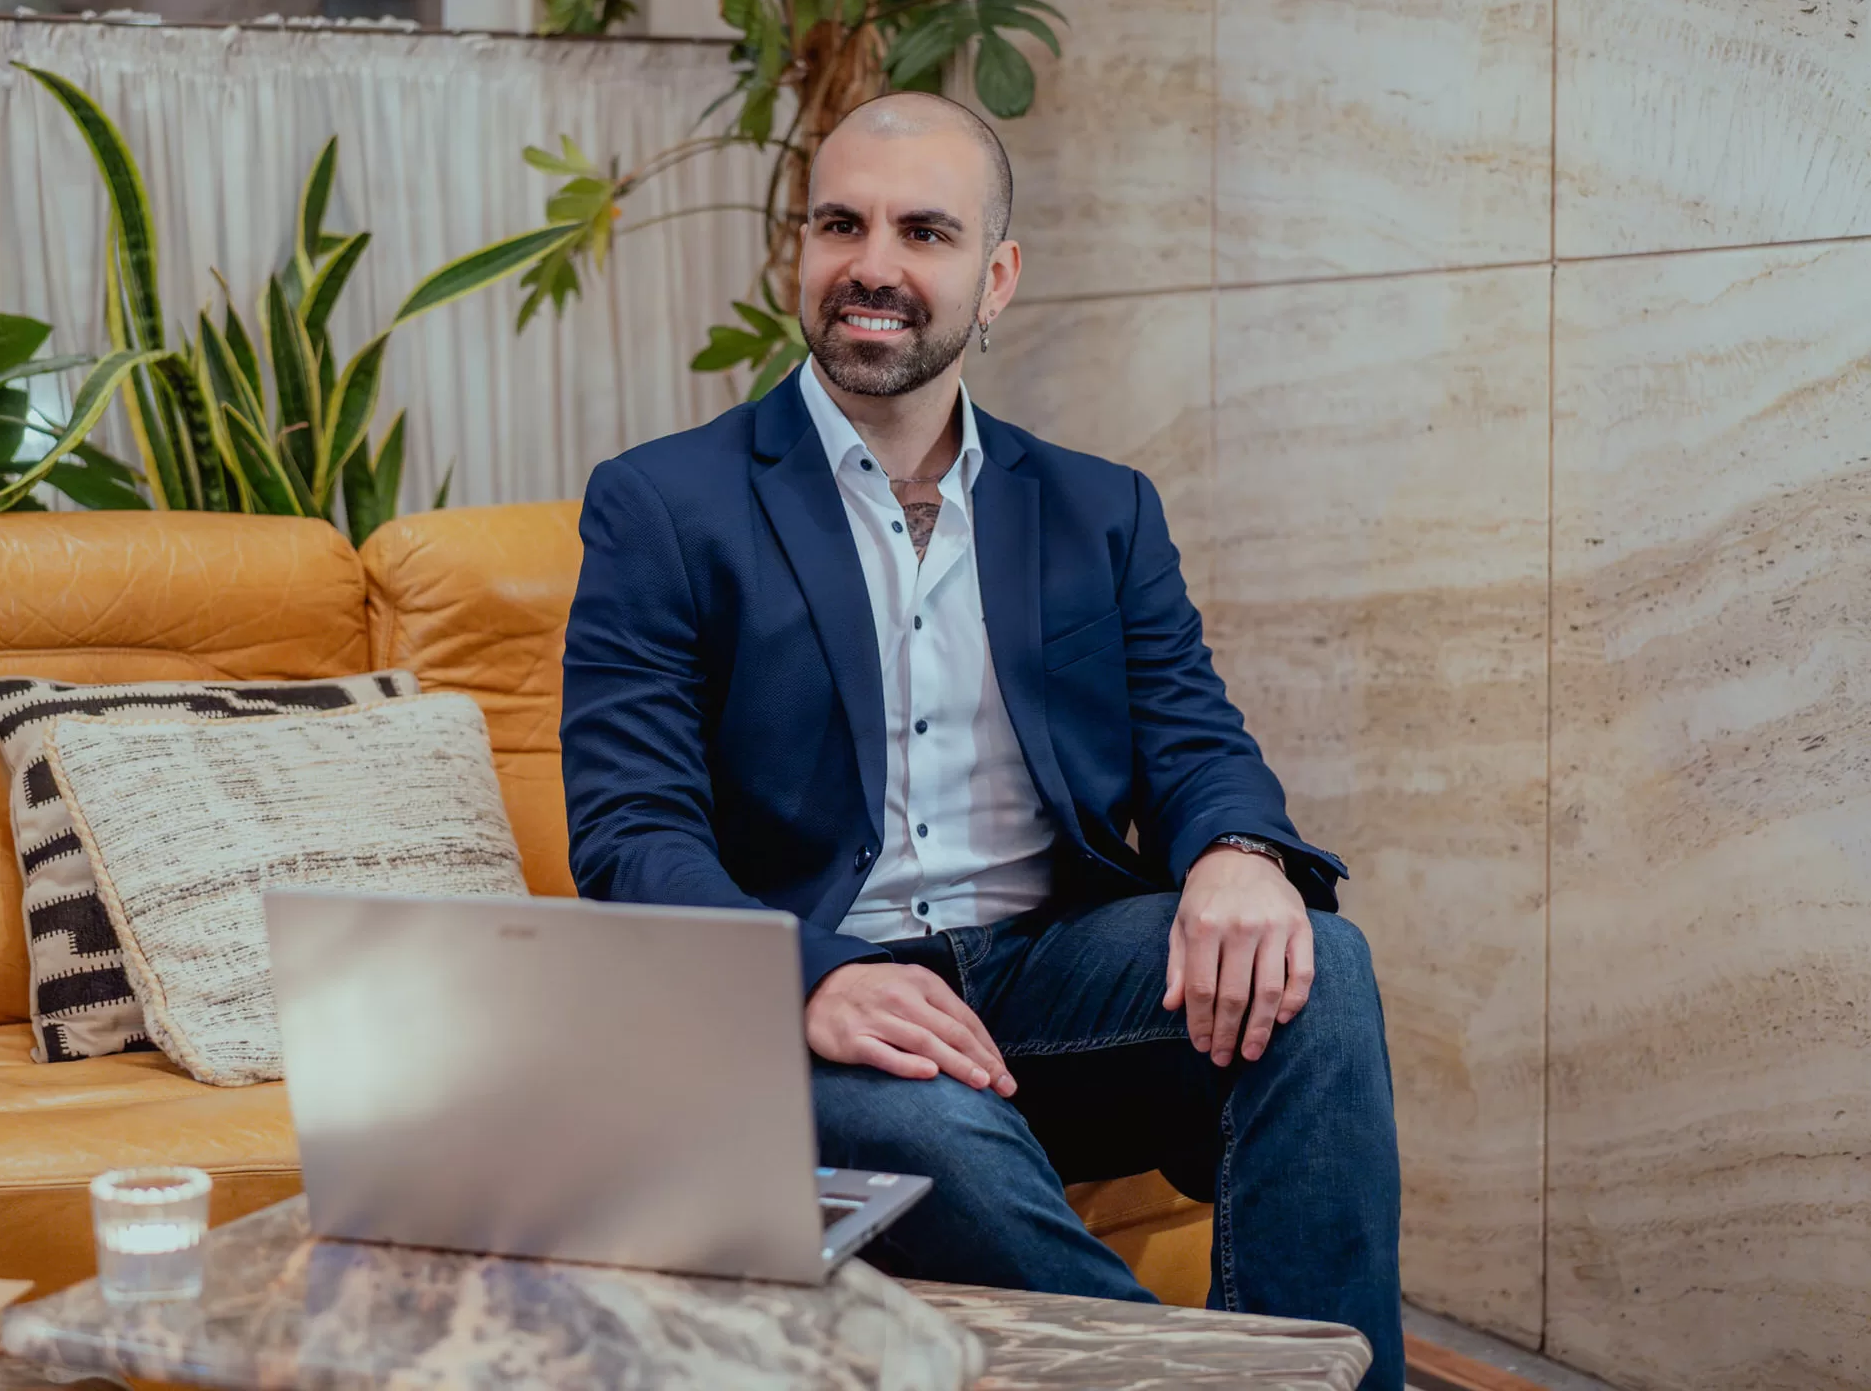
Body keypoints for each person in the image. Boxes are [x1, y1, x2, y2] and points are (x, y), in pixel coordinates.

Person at [560, 90, 1404, 1381]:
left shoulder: (1099, 512)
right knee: (939, 1135)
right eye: (841, 224)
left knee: (1320, 970)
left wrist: (1239, 849)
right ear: (802, 252)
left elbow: (1195, 740)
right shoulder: (663, 507)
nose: (874, 266)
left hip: (1043, 978)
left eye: (924, 231)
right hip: (824, 1014)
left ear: (995, 277)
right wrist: (816, 977)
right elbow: (631, 834)